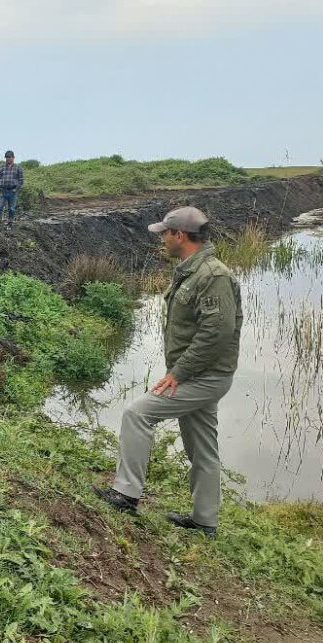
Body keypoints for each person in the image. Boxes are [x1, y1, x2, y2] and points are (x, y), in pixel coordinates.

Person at [94, 206, 243, 537]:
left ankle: (125, 495)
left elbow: (216, 334)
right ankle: (205, 521)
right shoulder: (193, 270)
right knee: (202, 446)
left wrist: (178, 373)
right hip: (198, 374)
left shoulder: (213, 276)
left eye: (165, 233)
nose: (161, 239)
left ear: (180, 235)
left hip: (204, 377)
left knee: (137, 414)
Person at [0, 151, 24, 226]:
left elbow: (21, 180)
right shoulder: (1, 167)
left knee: (11, 209)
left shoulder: (18, 168)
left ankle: (10, 223)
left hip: (12, 191)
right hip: (2, 191)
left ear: (13, 158)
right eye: (7, 157)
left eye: (10, 157)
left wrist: (16, 189)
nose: (8, 159)